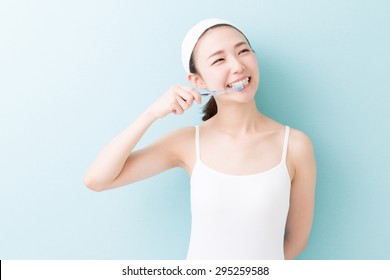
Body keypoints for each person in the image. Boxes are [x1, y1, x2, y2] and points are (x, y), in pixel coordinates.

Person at [84, 18, 316, 260]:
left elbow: (296, 241)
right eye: (219, 60)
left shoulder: (295, 146)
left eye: (243, 51)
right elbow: (97, 179)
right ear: (198, 81)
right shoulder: (186, 143)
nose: (237, 66)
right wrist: (150, 114)